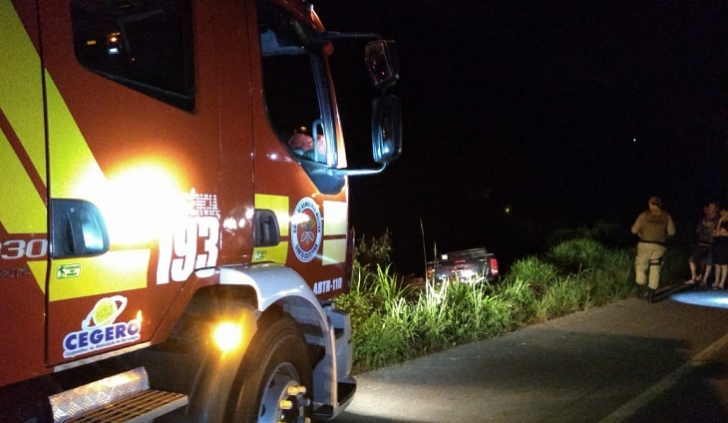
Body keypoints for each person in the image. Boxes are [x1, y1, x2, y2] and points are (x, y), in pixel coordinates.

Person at [631, 196, 676, 302]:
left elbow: (633, 230)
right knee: (655, 268)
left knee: (641, 266)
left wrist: (640, 232)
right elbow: (672, 232)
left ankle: (641, 289)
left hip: (644, 244)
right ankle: (651, 294)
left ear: (650, 204)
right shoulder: (666, 216)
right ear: (660, 204)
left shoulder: (644, 215)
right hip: (658, 246)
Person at [686, 201, 721, 286]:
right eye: (709, 206)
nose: (710, 208)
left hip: (711, 244)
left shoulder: (718, 219)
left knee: (708, 262)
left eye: (712, 207)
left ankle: (704, 279)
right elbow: (698, 229)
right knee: (692, 259)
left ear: (716, 209)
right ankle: (694, 277)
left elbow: (716, 231)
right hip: (701, 243)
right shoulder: (704, 218)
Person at [711, 211, 728, 289]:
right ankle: (716, 281)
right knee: (717, 264)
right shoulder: (719, 221)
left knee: (724, 264)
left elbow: (718, 233)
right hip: (717, 245)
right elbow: (715, 233)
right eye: (721, 212)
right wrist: (719, 222)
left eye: (724, 212)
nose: (722, 214)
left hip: (725, 245)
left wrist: (720, 222)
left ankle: (722, 282)